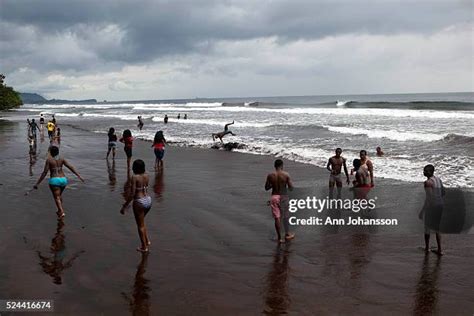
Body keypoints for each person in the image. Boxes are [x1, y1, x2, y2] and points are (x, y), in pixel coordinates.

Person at [33, 146, 84, 218]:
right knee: (59, 196)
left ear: (50, 152)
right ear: (58, 152)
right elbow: (70, 167)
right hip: (63, 180)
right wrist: (79, 176)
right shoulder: (62, 159)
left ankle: (61, 211)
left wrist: (37, 183)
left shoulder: (49, 160)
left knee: (56, 197)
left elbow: (45, 172)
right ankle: (59, 210)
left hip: (54, 180)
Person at [120, 159, 152, 253]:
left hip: (139, 201)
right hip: (148, 200)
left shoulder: (134, 177)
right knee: (142, 223)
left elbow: (133, 193)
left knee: (140, 225)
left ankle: (144, 247)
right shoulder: (147, 175)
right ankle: (147, 241)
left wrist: (125, 206)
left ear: (134, 168)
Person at [265, 159, 295, 243]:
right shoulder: (286, 175)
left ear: (274, 166)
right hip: (283, 196)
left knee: (277, 217)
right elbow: (291, 188)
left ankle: (279, 238)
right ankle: (287, 234)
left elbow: (266, 188)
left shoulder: (270, 175)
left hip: (274, 196)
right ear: (282, 166)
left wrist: (273, 184)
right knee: (285, 216)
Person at [419, 164, 445, 255]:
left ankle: (427, 248)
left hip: (432, 206)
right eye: (424, 170)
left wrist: (422, 211)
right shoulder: (438, 180)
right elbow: (443, 192)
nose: (424, 172)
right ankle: (440, 249)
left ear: (430, 172)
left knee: (427, 228)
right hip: (440, 205)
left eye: (426, 171)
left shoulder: (427, 183)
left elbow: (429, 199)